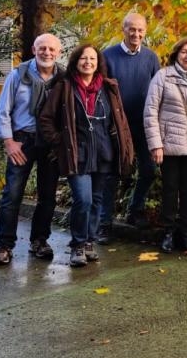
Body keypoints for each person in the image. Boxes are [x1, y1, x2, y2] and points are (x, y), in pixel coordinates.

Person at [38, 44, 134, 267]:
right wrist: (60, 141)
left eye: (92, 58)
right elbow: (45, 119)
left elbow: (119, 120)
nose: (88, 62)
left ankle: (90, 242)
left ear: (98, 62)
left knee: (97, 200)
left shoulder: (108, 88)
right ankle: (78, 245)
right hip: (77, 153)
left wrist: (125, 146)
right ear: (76, 61)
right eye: (83, 58)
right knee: (83, 199)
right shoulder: (65, 86)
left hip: (103, 152)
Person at [0, 33, 64, 266]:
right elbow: (3, 111)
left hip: (51, 143)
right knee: (12, 193)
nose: (47, 53)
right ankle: (4, 246)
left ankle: (39, 241)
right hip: (23, 140)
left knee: (48, 195)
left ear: (59, 53)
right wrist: (8, 142)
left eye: (52, 49)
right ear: (34, 49)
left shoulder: (63, 78)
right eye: (42, 48)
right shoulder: (18, 74)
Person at [143, 37, 187, 253]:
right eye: (184, 52)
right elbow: (151, 110)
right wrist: (156, 145)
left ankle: (185, 231)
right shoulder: (163, 76)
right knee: (171, 189)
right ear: (177, 54)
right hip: (169, 144)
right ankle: (168, 232)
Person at [102, 12, 160, 238]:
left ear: (145, 31)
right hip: (117, 126)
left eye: (140, 30)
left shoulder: (151, 58)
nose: (136, 34)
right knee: (112, 174)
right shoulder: (108, 56)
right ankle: (104, 223)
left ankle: (135, 210)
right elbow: (102, 92)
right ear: (123, 29)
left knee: (149, 170)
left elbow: (158, 90)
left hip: (144, 124)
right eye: (131, 29)